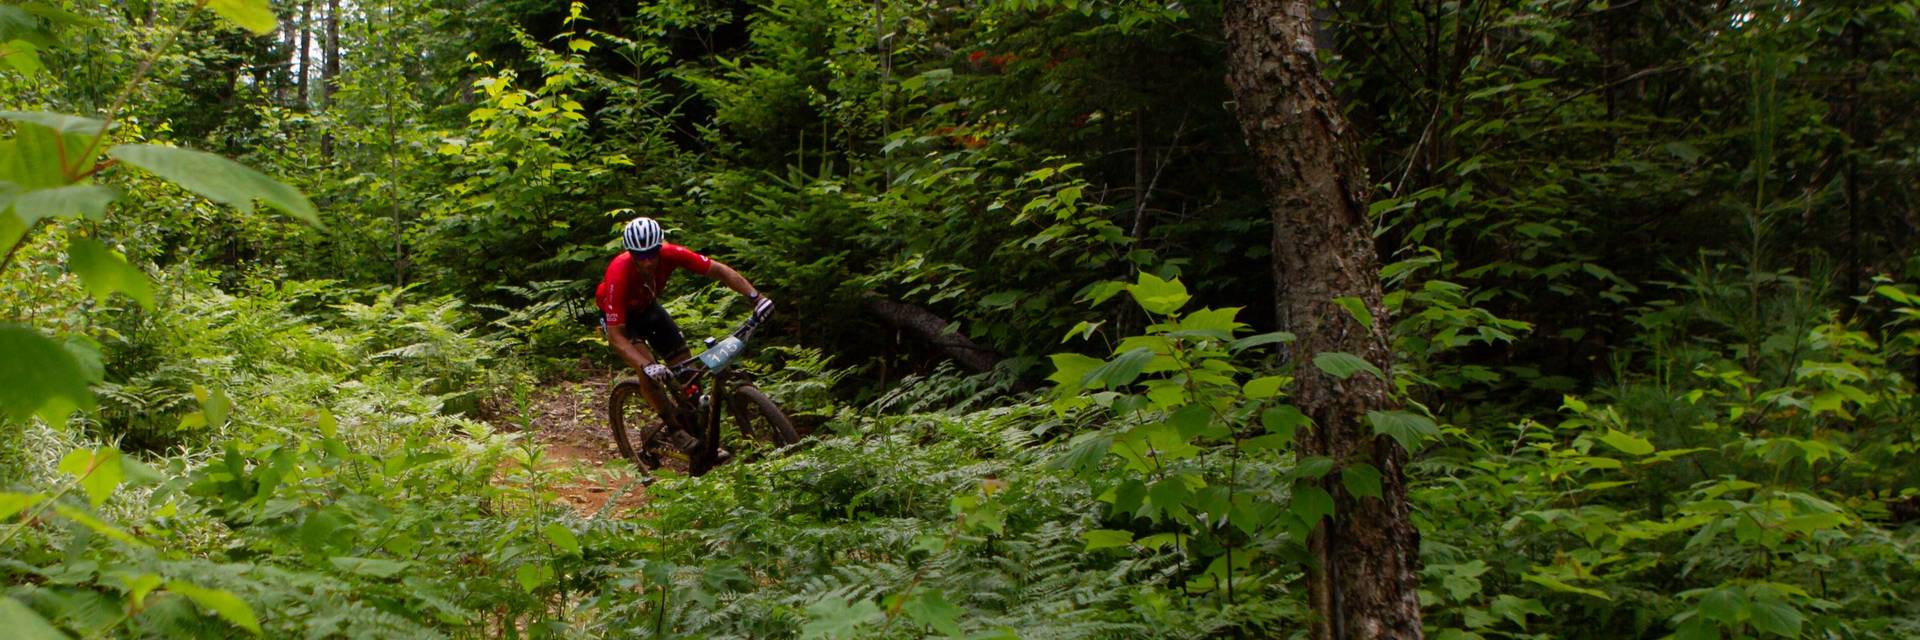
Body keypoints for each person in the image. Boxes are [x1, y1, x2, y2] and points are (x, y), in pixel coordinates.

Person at [596, 217, 774, 422]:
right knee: (648, 371)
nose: (648, 261)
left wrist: (756, 298)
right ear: (630, 253)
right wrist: (645, 366)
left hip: (648, 308)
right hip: (622, 320)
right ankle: (672, 425)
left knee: (688, 373)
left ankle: (696, 424)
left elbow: (720, 270)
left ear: (659, 247)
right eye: (640, 256)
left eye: (652, 253)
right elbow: (616, 336)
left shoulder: (670, 253)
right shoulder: (618, 271)